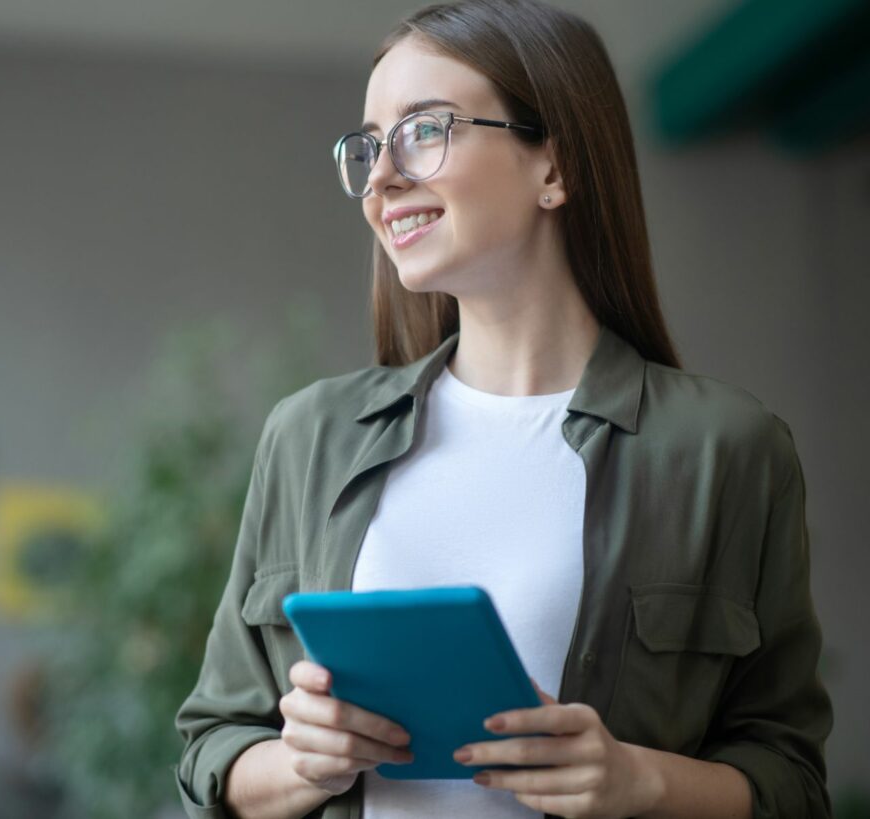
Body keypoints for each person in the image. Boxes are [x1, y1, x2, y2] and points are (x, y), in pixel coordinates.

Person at [174, 1, 833, 817]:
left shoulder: (727, 449)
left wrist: (640, 781)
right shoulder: (309, 436)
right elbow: (211, 748)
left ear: (553, 165)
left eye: (423, 130)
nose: (380, 178)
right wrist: (302, 761)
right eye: (369, 145)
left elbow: (793, 783)